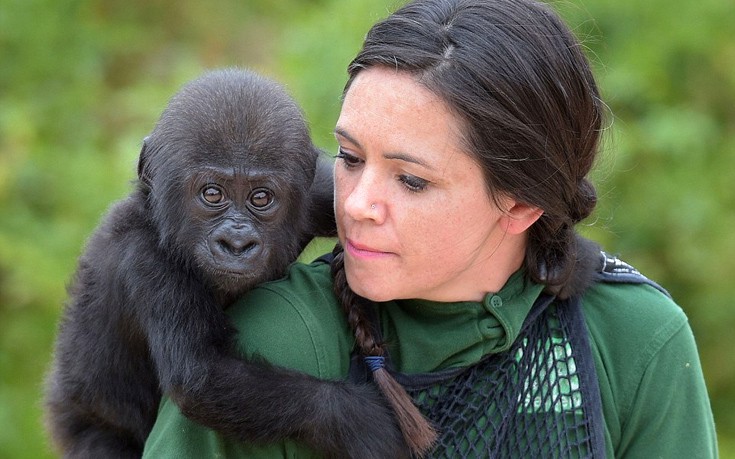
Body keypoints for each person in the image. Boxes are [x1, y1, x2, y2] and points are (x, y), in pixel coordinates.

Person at [143, 0, 717, 457]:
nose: (358, 204)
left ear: (520, 206)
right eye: (348, 157)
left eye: (411, 180)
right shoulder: (279, 342)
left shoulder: (635, 337)